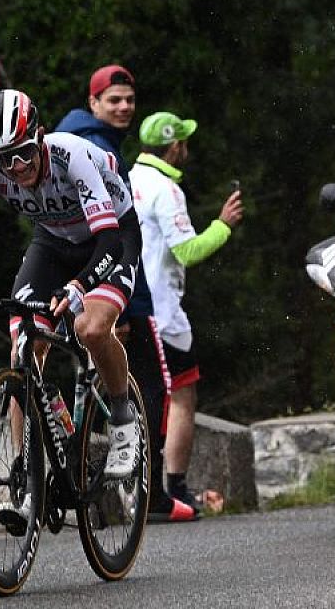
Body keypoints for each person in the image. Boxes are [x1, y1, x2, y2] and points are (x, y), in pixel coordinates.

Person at [0, 89, 143, 529]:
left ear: (40, 136)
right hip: (52, 244)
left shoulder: (72, 155)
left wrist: (81, 285)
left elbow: (109, 240)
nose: (17, 167)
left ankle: (123, 419)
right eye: (4, 160)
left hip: (110, 240)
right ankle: (29, 483)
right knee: (22, 353)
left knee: (90, 329)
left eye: (24, 153)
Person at [56, 66, 196, 522]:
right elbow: (104, 229)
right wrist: (113, 302)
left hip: (76, 276)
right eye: (113, 100)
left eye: (129, 100)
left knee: (85, 381)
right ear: (93, 103)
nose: (123, 108)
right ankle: (151, 496)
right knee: (153, 388)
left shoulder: (79, 138)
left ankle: (76, 483)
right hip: (112, 284)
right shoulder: (95, 145)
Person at [129, 111, 244, 511]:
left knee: (138, 396)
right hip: (163, 313)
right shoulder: (166, 190)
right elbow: (188, 251)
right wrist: (223, 224)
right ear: (175, 146)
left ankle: (139, 490)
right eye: (185, 143)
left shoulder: (127, 179)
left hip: (128, 307)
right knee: (181, 394)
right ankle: (173, 488)